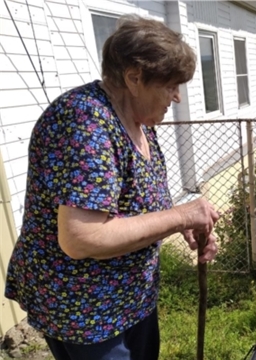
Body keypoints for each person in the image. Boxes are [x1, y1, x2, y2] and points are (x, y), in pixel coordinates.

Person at [4, 14, 220, 360]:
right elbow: (81, 238)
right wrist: (180, 217)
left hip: (129, 301)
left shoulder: (138, 122)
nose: (177, 97)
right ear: (134, 77)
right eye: (169, 85)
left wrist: (187, 224)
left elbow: (138, 202)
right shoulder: (85, 121)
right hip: (87, 315)